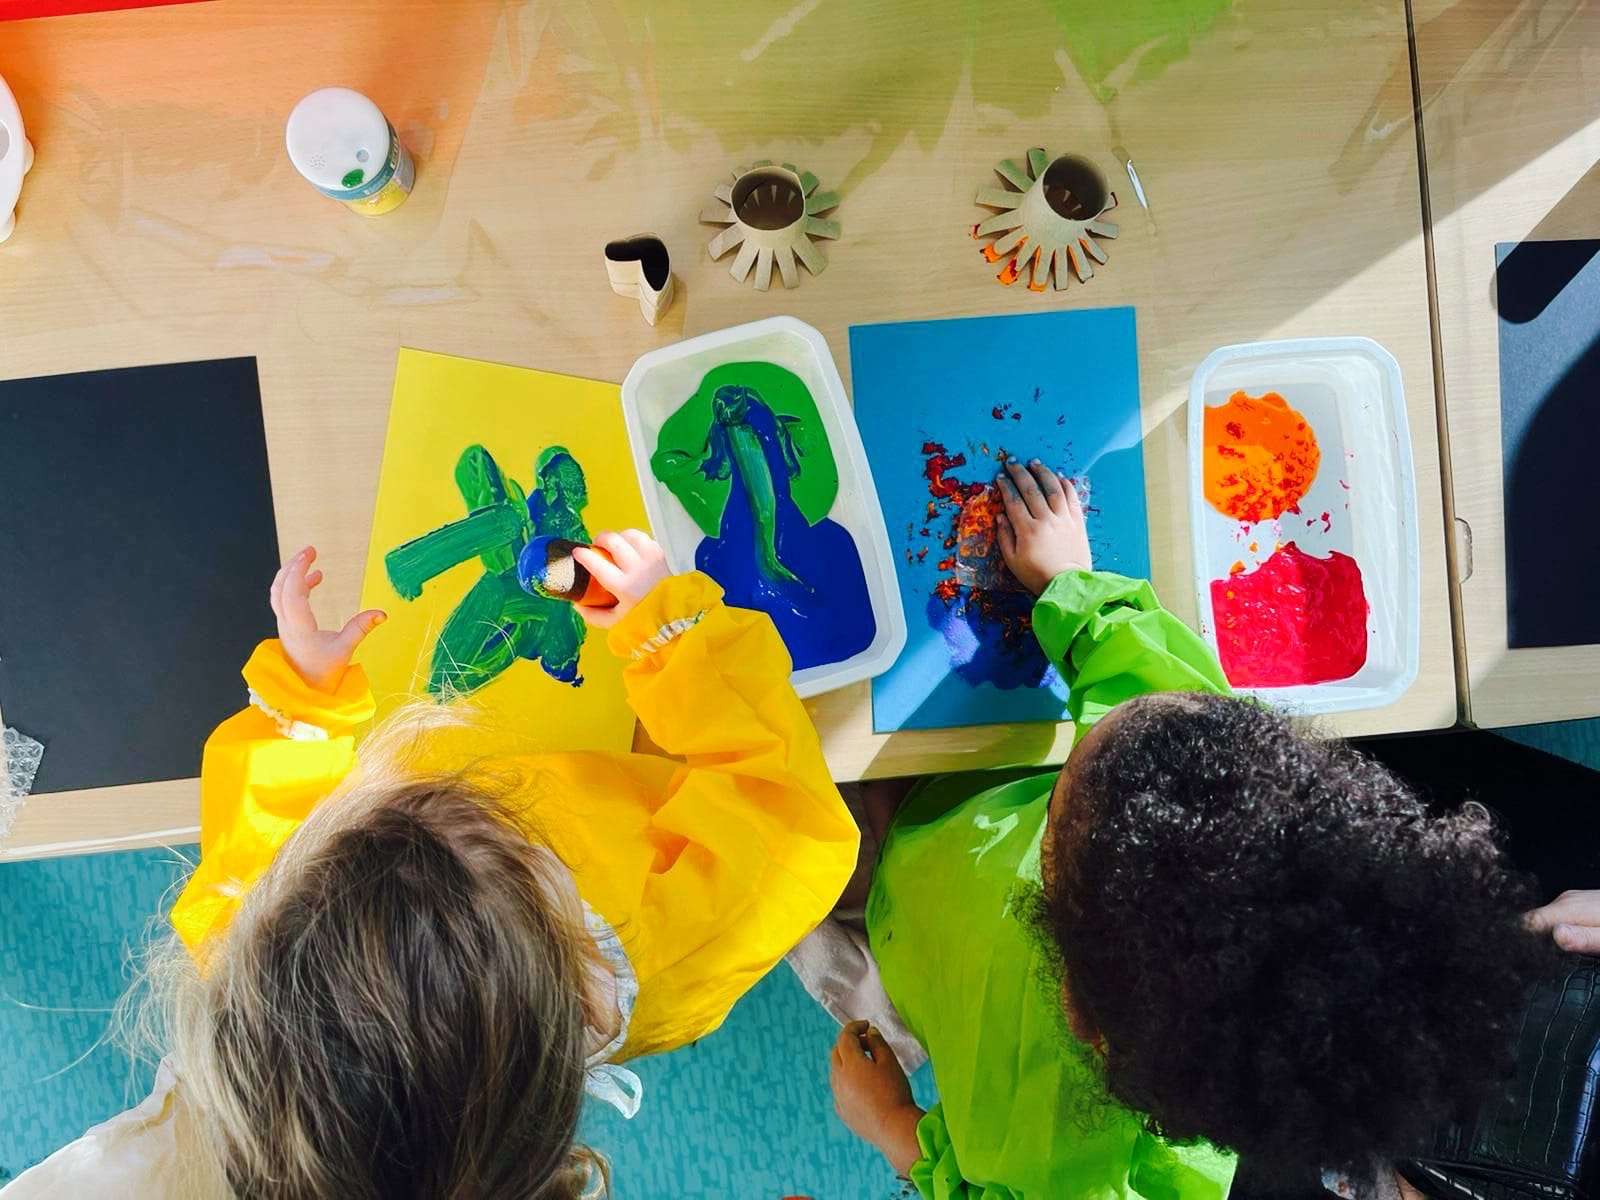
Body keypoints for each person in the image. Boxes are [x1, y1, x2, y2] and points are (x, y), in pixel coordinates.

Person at [5, 532, 857, 1200]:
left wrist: (305, 702)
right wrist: (668, 637)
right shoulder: (667, 938)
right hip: (646, 806)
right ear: (564, 943)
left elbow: (262, 827)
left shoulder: (256, 959)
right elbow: (787, 812)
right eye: (498, 828)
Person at [829, 459, 1553, 1198]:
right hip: (964, 825)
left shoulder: (1069, 1171)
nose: (1104, 729)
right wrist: (1071, 584)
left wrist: (895, 1125)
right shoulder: (1210, 778)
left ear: (1081, 1012)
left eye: (1060, 811)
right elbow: (1151, 694)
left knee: (825, 861)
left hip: (923, 942)